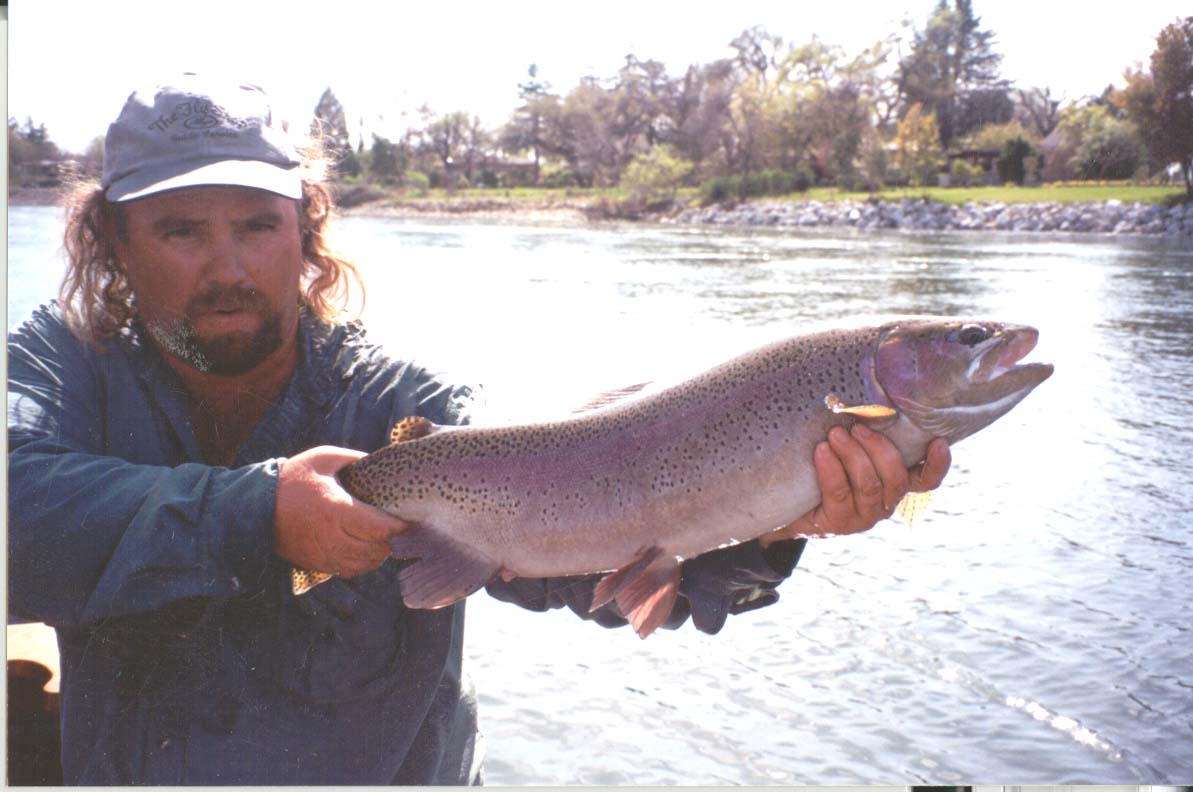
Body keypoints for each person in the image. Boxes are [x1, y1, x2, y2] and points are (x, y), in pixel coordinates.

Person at [6, 74, 952, 785]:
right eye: (180, 231)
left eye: (257, 225)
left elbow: (584, 568)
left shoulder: (396, 402)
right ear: (113, 247)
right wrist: (255, 517)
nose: (228, 267)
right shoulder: (62, 364)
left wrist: (772, 525)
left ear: (306, 234)